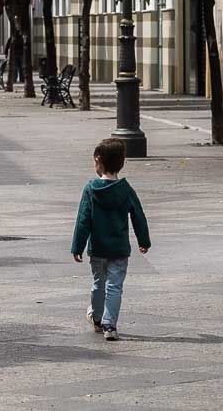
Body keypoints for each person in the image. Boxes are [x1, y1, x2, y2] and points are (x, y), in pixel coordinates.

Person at [71, 139, 151, 342]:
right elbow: (138, 215)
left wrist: (77, 246)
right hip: (119, 249)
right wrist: (144, 240)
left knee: (99, 283)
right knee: (114, 286)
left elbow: (83, 220)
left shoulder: (91, 189)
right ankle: (110, 325)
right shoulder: (125, 189)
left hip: (97, 248)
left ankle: (97, 318)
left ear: (98, 161)